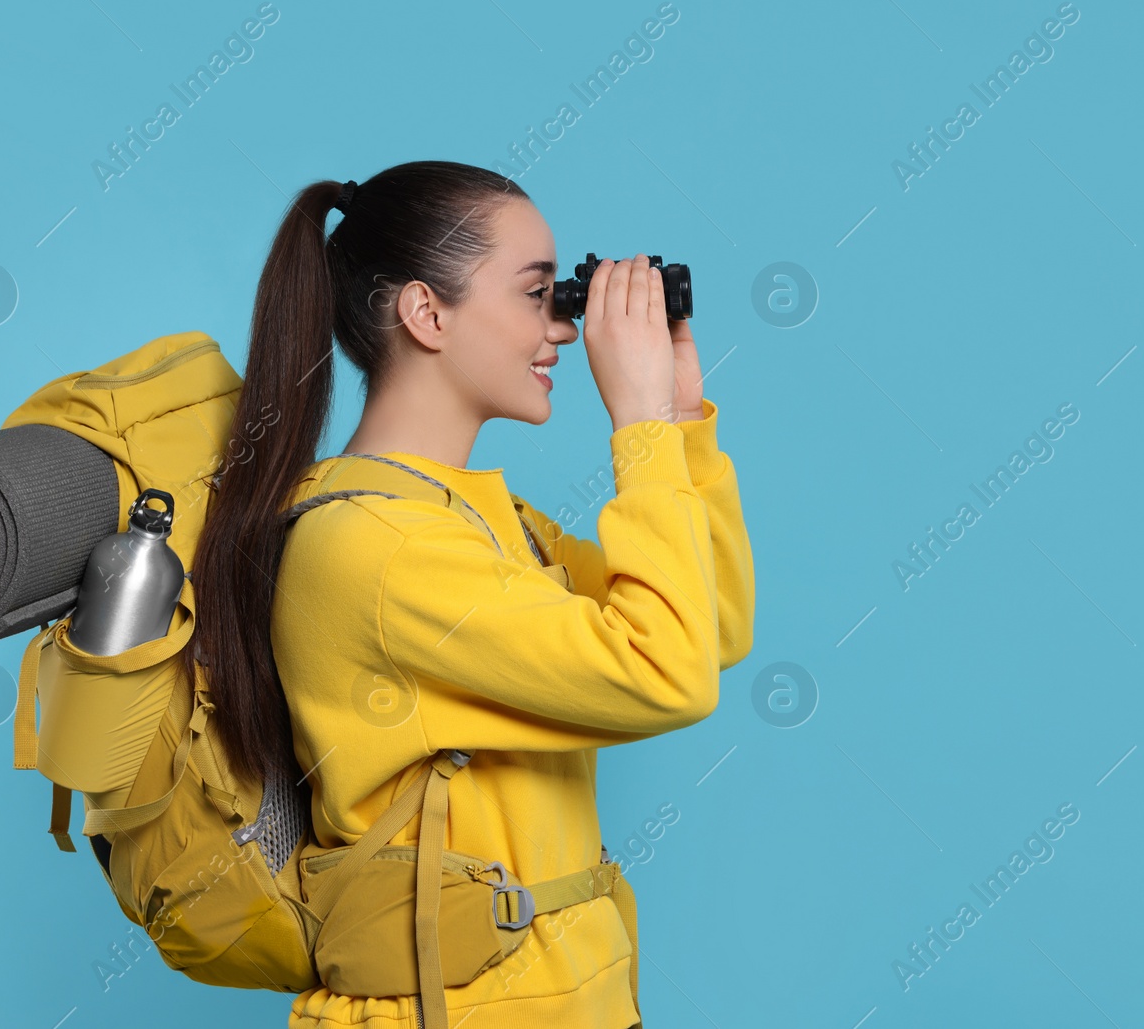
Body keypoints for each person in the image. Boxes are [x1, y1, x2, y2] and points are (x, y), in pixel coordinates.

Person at [190, 160, 755, 1029]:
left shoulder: (484, 520)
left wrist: (677, 425)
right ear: (426, 312)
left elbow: (707, 629)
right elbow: (666, 672)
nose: (562, 329)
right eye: (536, 293)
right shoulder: (378, 549)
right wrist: (635, 427)